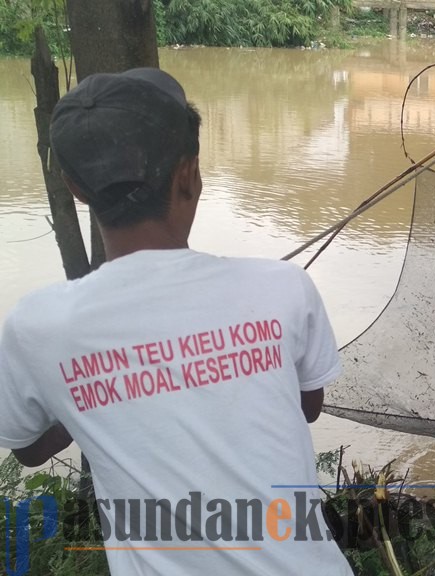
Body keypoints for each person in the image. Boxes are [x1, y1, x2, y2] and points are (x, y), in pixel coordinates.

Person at [0, 68, 354, 575]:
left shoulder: (38, 327)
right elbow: (308, 404)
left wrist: (103, 393)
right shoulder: (282, 288)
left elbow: (29, 448)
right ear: (189, 173)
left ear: (75, 187)